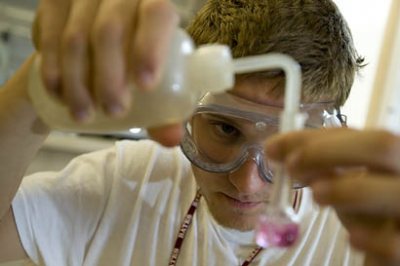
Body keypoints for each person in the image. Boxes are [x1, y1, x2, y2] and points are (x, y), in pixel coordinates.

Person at [3, 0, 394, 265]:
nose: (247, 180)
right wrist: (36, 86)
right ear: (187, 112)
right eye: (225, 128)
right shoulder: (126, 182)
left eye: (282, 145)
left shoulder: (358, 236)